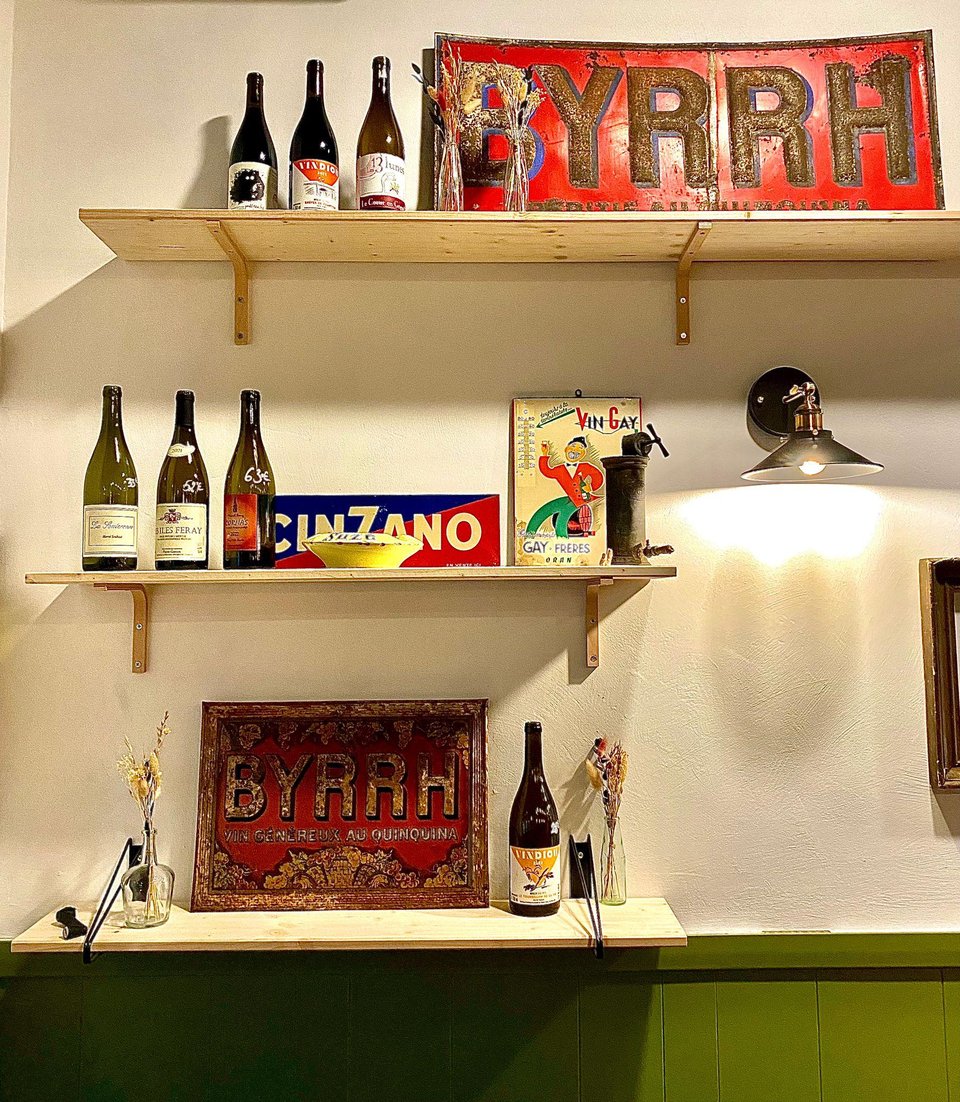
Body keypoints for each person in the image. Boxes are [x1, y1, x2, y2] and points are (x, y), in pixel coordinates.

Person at [527, 436, 604, 537]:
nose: (576, 450)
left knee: (563, 517)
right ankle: (529, 533)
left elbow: (599, 478)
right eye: (573, 446)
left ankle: (562, 536)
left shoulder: (586, 466)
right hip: (570, 498)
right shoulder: (560, 469)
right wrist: (544, 455)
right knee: (545, 510)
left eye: (580, 448)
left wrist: (590, 487)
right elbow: (547, 471)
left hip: (583, 499)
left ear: (583, 453)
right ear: (566, 449)